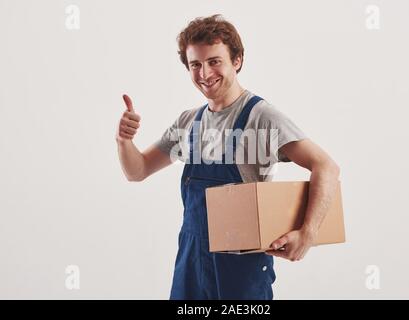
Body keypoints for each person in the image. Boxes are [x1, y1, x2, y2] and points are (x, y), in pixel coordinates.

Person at [116, 14, 340, 300]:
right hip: (192, 262)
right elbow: (138, 171)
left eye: (214, 61)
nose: (205, 73)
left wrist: (307, 234)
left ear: (237, 61)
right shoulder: (188, 122)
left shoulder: (262, 117)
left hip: (241, 269)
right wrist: (124, 141)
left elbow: (326, 167)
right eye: (195, 64)